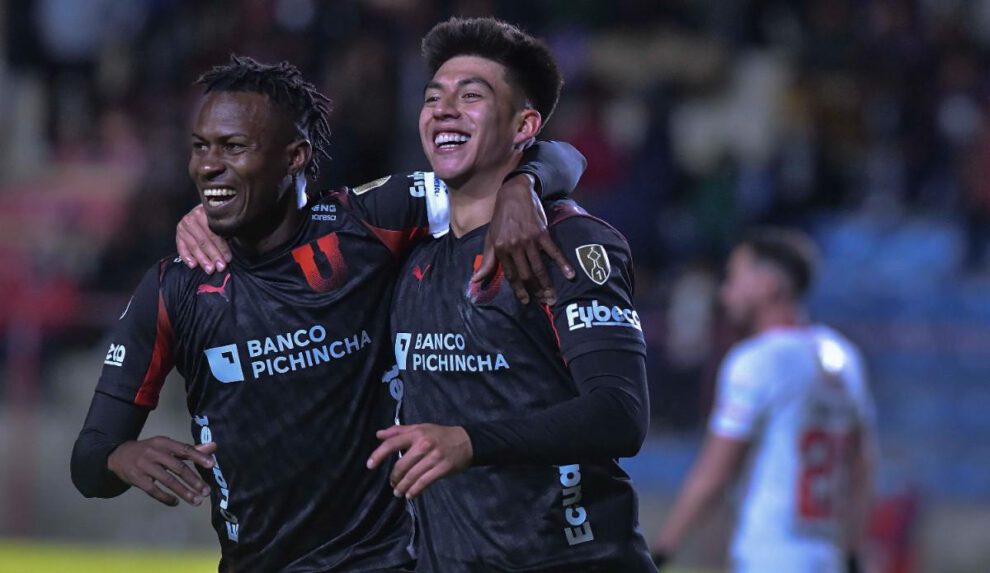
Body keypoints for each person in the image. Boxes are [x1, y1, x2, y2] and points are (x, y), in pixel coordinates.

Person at [71, 55, 585, 572]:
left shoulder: (368, 225)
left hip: (385, 560)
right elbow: (88, 460)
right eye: (201, 147)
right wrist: (120, 457)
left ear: (295, 156)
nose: (207, 166)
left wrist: (526, 184)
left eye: (233, 147)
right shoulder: (175, 285)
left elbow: (564, 158)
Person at [364, 18, 656, 571]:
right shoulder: (411, 253)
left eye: (471, 96)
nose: (444, 109)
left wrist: (470, 441)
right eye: (434, 97)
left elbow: (620, 414)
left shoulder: (568, 241)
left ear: (525, 125)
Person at [651, 228, 877, 573]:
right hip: (827, 556)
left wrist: (663, 549)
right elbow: (862, 464)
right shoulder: (844, 357)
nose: (726, 292)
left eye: (736, 277)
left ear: (769, 285)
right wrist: (852, 551)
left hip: (772, 555)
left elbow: (715, 473)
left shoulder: (758, 359)